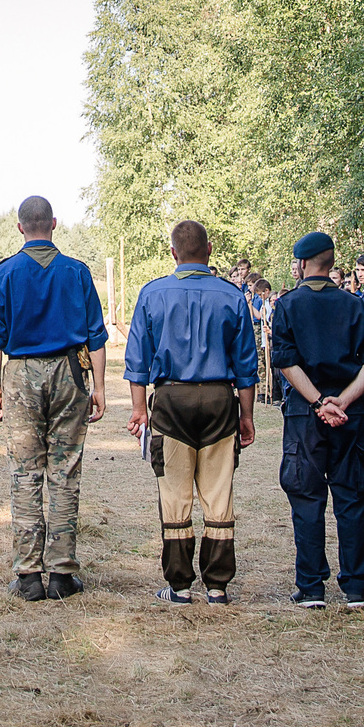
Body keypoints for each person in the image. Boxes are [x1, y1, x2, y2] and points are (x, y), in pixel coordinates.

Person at [0, 195, 107, 600]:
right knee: (64, 471)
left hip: (20, 376)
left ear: (20, 227)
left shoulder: (4, 273)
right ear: (54, 223)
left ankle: (29, 575)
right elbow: (97, 338)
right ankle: (63, 574)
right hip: (70, 373)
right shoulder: (78, 272)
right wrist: (99, 388)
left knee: (25, 472)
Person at [123, 219, 257, 605]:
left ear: (173, 253)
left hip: (171, 400)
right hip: (219, 399)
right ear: (209, 250)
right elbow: (246, 367)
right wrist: (245, 416)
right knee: (219, 492)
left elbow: (137, 362)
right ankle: (217, 585)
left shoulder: (152, 294)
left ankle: (179, 586)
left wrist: (139, 411)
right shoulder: (231, 296)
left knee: (175, 492)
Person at [268, 230, 364, 608]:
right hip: (350, 414)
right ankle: (355, 586)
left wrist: (319, 402)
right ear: (331, 263)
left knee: (306, 497)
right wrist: (344, 401)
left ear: (302, 264)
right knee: (351, 497)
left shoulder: (287, 306)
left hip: (305, 414)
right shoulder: (358, 307)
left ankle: (311, 585)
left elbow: (285, 361)